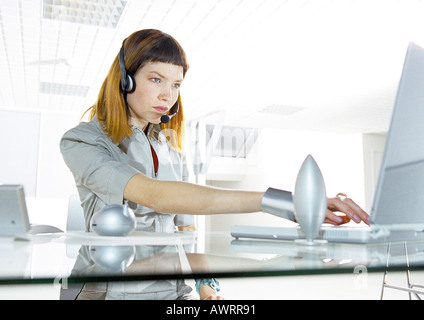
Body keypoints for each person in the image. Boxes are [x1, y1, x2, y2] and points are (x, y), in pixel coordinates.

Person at [60, 29, 369, 300]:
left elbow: (186, 231)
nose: (168, 95)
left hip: (173, 291)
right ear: (125, 80)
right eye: (156, 79)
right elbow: (154, 194)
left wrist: (206, 286)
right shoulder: (83, 141)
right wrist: (285, 203)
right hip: (108, 291)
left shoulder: (169, 150)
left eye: (176, 84)